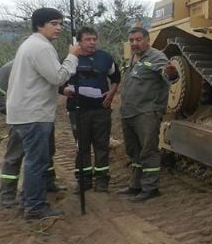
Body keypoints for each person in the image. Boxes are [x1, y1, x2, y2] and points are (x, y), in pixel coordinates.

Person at [7, 7, 80, 219]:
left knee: (33, 160)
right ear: (40, 25)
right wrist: (72, 57)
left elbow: (41, 79)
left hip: (24, 112)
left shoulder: (30, 45)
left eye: (60, 24)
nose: (59, 28)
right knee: (37, 162)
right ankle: (35, 207)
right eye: (54, 23)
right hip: (34, 114)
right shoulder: (41, 47)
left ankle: (29, 200)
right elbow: (57, 77)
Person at [0, 61, 63, 208]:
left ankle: (48, 183)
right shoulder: (10, 68)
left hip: (44, 119)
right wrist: (17, 112)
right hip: (24, 121)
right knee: (14, 157)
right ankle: (7, 195)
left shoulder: (42, 65)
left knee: (46, 153)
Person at [118, 27, 178, 202]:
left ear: (147, 40)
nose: (134, 43)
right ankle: (135, 185)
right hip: (129, 112)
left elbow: (168, 75)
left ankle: (150, 188)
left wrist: (171, 74)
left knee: (148, 150)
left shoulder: (156, 57)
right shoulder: (133, 59)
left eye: (138, 39)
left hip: (146, 113)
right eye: (131, 40)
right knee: (133, 150)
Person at [61, 26, 121, 193]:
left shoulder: (105, 58)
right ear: (78, 42)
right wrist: (64, 90)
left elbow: (116, 77)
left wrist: (112, 92)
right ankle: (84, 180)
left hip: (101, 109)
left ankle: (102, 181)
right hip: (77, 109)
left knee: (101, 145)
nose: (92, 42)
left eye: (94, 39)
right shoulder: (69, 59)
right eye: (87, 39)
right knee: (82, 146)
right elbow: (57, 81)